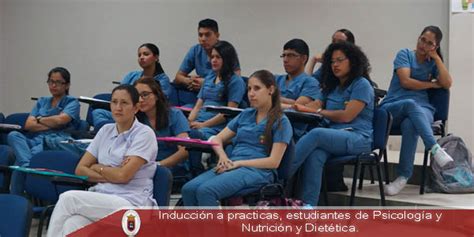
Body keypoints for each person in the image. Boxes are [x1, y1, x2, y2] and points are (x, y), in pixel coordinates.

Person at [47, 85, 158, 236]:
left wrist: (97, 167)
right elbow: (80, 169)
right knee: (72, 223)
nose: (118, 108)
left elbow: (123, 176)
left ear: (136, 108)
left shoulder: (144, 134)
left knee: (68, 199)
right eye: (114, 102)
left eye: (124, 103)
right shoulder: (105, 130)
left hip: (132, 204)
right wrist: (113, 174)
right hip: (103, 197)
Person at [182, 70, 293, 206]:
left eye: (257, 88)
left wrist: (240, 163)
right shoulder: (245, 114)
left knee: (206, 191)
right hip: (232, 165)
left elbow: (273, 162)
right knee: (188, 189)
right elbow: (217, 139)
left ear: (271, 90)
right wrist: (223, 157)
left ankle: (214, 228)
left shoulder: (281, 121)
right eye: (249, 89)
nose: (251, 94)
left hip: (258, 171)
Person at [291, 42, 374, 206]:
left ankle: (278, 175)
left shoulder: (361, 84)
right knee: (315, 155)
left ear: (352, 61)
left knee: (315, 134)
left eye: (339, 60)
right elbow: (315, 105)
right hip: (333, 137)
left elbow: (346, 116)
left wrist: (317, 112)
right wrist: (295, 108)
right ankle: (308, 208)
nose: (335, 65)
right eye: (332, 61)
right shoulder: (333, 85)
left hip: (358, 137)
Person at [381, 26, 453, 196]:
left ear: (435, 47)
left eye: (430, 43)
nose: (424, 45)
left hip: (423, 108)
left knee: (411, 124)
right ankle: (434, 149)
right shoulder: (405, 54)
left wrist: (436, 59)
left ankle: (402, 177)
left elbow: (447, 83)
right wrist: (431, 84)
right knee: (410, 104)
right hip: (394, 106)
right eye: (422, 39)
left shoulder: (432, 63)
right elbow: (406, 81)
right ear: (418, 38)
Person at [8, 67, 80, 195]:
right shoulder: (42, 101)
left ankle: (20, 180)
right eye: (51, 81)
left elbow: (61, 120)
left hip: (54, 141)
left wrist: (39, 119)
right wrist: (52, 122)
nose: (53, 85)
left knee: (18, 162)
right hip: (35, 139)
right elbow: (29, 125)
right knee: (13, 135)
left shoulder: (72, 102)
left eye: (58, 82)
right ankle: (27, 165)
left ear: (67, 85)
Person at [92, 43, 171, 130]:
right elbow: (120, 93)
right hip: (125, 108)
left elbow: (161, 100)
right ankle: (113, 130)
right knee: (97, 112)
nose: (141, 57)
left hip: (141, 113)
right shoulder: (132, 75)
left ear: (156, 57)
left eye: (146, 54)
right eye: (139, 55)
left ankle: (116, 129)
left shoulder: (163, 79)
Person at [187, 40, 245, 140]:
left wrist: (204, 125)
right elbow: (198, 106)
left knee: (193, 135)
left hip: (216, 128)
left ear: (227, 59)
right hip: (199, 124)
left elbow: (228, 113)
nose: (213, 60)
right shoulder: (209, 77)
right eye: (212, 57)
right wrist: (189, 122)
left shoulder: (236, 81)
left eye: (218, 57)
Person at [134, 77, 190, 176]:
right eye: (137, 96)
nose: (140, 100)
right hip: (144, 166)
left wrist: (158, 165)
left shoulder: (174, 114)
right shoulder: (134, 118)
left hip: (171, 167)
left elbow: (184, 151)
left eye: (145, 95)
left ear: (156, 95)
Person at [174, 18, 240, 93]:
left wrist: (207, 83)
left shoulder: (226, 50)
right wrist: (189, 81)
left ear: (217, 35)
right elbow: (178, 77)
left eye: (207, 35)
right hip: (201, 96)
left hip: (222, 97)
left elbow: (237, 80)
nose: (203, 39)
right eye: (200, 35)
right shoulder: (195, 50)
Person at [275, 38, 321, 139]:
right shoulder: (275, 79)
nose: (285, 60)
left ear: (304, 59)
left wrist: (272, 99)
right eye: (284, 55)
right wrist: (289, 102)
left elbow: (297, 107)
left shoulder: (310, 82)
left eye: (291, 55)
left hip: (293, 131)